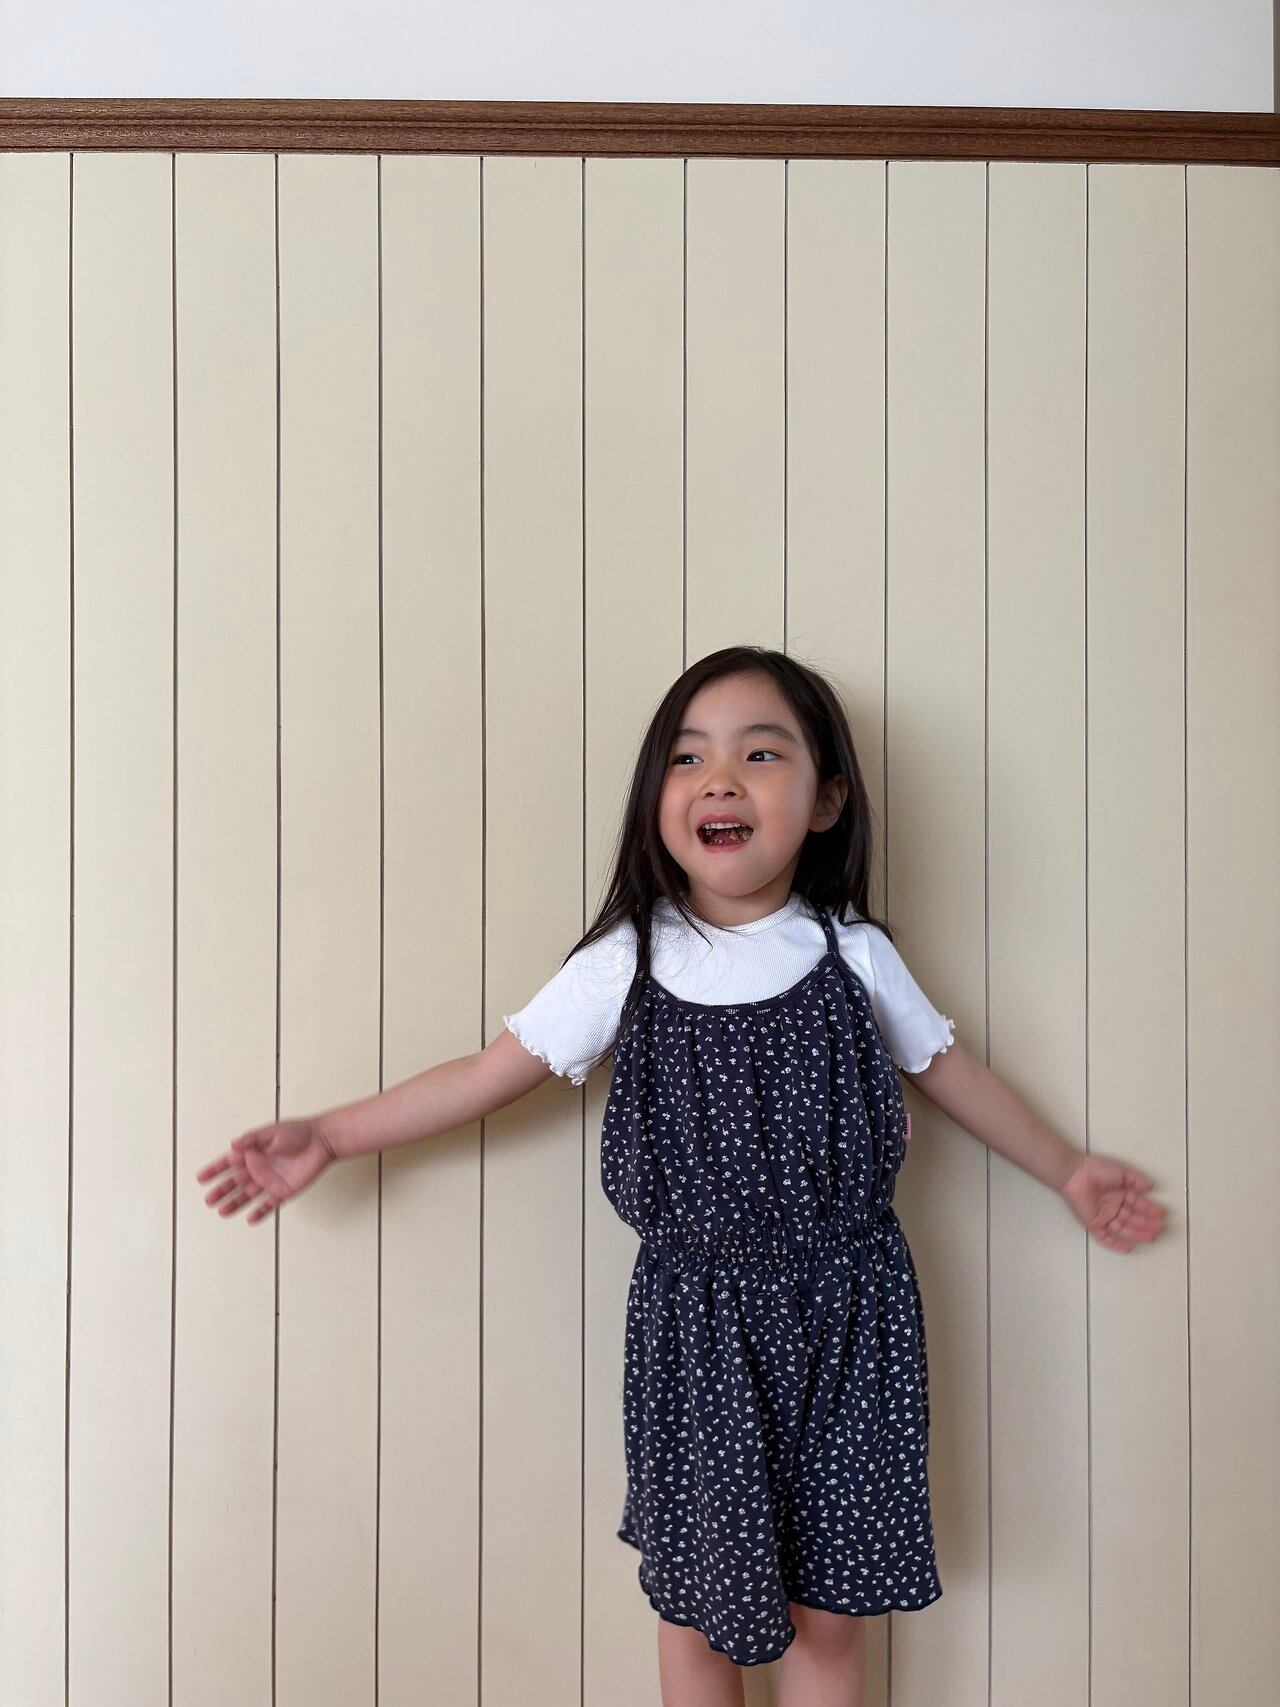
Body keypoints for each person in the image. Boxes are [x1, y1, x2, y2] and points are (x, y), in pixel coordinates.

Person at [196, 644, 1165, 1707]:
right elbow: (484, 1075)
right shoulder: (629, 958)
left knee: (832, 1613)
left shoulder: (852, 955)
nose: (720, 780)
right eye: (688, 757)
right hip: (698, 1325)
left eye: (761, 754)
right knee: (700, 1611)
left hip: (851, 1312)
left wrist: (1069, 1170)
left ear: (826, 800)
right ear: (656, 796)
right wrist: (331, 1134)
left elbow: (953, 1074)